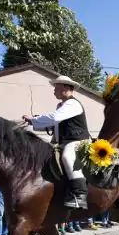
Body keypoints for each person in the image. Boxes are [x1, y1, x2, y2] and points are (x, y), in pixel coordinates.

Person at [22, 75, 90, 210]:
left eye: (56, 87)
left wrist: (34, 119)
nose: (54, 91)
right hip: (63, 142)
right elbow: (55, 125)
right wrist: (32, 123)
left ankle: (80, 195)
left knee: (67, 157)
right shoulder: (62, 105)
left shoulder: (72, 103)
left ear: (65, 87)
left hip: (77, 141)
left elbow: (55, 118)